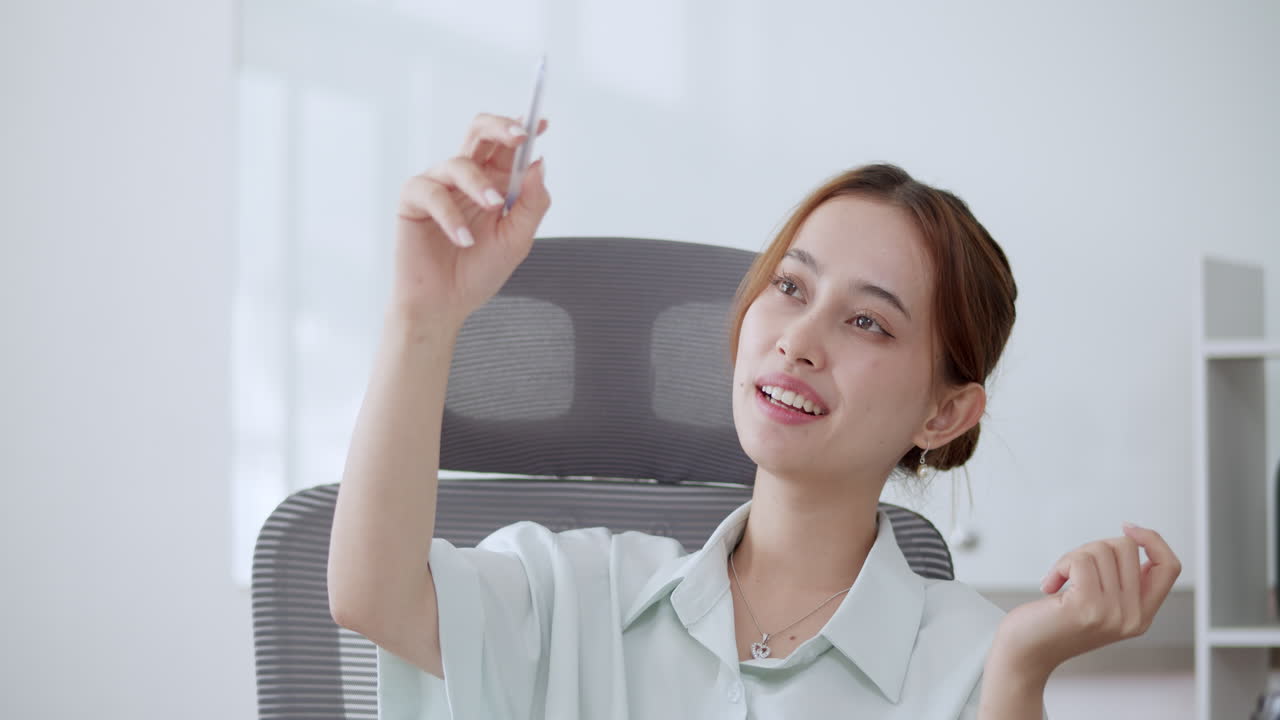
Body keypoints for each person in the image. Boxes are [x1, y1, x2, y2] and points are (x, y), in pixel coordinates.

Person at [328, 113, 1181, 720]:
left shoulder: (980, 659)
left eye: (867, 322)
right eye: (790, 287)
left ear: (946, 413)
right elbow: (375, 599)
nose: (798, 341)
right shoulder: (577, 593)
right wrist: (422, 316)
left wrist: (1021, 672)